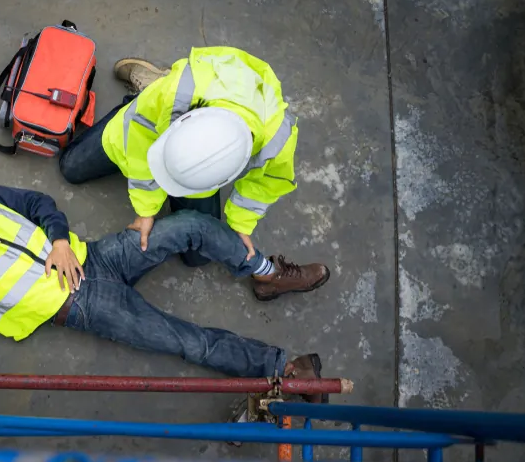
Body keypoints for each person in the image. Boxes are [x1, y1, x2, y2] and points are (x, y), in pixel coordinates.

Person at [0, 156, 329, 402]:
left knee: (189, 224)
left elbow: (38, 202)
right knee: (188, 342)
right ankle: (285, 369)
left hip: (95, 256)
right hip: (82, 306)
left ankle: (266, 274)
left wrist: (58, 241)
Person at [59, 47, 327, 301]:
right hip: (152, 113)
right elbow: (139, 147)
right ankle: (149, 88)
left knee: (198, 257)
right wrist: (146, 210)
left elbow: (266, 184)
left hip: (192, 128)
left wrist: (241, 224)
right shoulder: (175, 94)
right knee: (71, 167)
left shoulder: (278, 135)